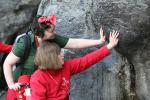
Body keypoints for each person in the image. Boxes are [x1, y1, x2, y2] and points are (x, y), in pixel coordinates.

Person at [3, 15, 106, 100]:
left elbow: (74, 43)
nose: (54, 33)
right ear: (39, 34)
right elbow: (7, 63)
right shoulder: (24, 44)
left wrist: (99, 42)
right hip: (23, 85)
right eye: (51, 31)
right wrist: (11, 85)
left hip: (42, 83)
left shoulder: (52, 38)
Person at [30, 31, 119, 100]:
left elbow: (87, 60)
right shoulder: (37, 78)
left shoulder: (66, 66)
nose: (63, 55)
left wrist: (109, 46)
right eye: (60, 53)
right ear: (51, 58)